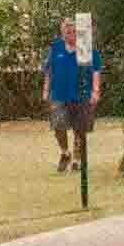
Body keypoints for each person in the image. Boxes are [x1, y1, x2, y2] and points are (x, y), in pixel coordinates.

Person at [43, 12, 102, 171]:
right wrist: (46, 91)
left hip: (81, 94)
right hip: (58, 94)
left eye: (72, 29)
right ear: (62, 32)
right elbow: (48, 70)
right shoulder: (56, 47)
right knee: (58, 125)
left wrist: (95, 91)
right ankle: (65, 153)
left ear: (77, 31)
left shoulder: (86, 47)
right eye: (66, 30)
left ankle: (76, 159)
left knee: (79, 128)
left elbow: (96, 70)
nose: (69, 32)